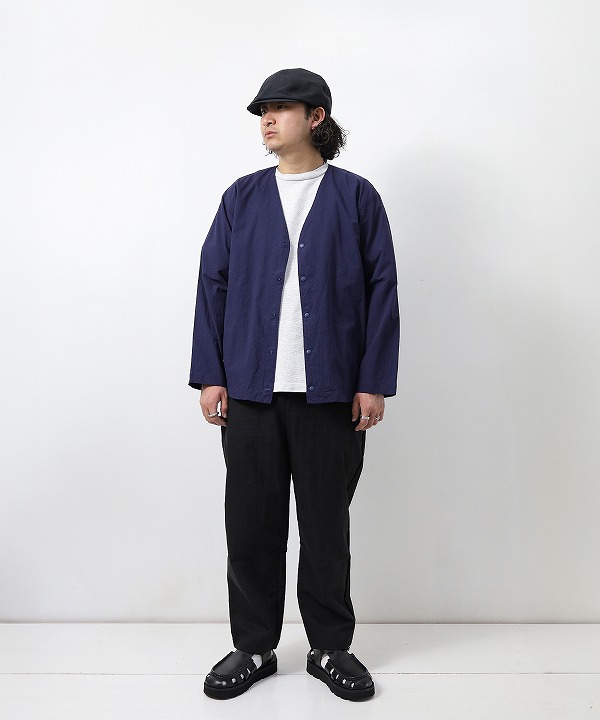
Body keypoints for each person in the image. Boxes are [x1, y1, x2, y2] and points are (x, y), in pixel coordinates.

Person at [189, 68, 400, 701]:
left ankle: (330, 646)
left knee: (326, 528)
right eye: (263, 111)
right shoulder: (241, 198)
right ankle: (254, 647)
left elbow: (382, 291)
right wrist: (211, 374)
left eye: (281, 108)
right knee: (251, 527)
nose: (267, 120)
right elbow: (212, 284)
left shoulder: (356, 197)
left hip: (330, 394)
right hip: (250, 392)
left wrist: (373, 381)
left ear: (317, 117)